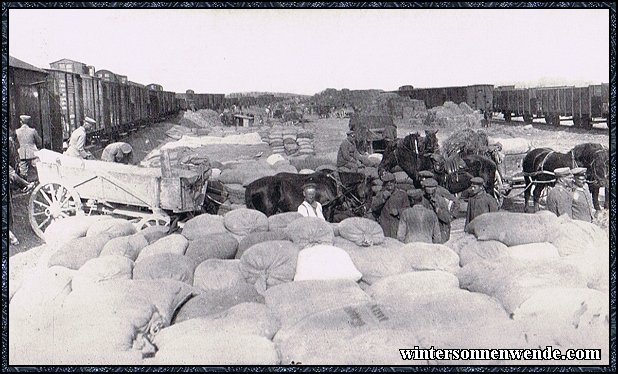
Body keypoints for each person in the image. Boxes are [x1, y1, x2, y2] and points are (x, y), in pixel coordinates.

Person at [370, 172, 410, 238]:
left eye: (391, 182)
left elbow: (408, 210)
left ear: (395, 183)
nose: (389, 184)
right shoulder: (380, 194)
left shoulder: (402, 194)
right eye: (386, 182)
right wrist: (382, 199)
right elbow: (374, 208)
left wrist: (398, 211)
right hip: (385, 227)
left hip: (398, 226)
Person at [420, 178, 453, 243]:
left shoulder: (441, 200)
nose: (430, 196)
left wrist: (437, 209)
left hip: (439, 231)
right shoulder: (421, 199)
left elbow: (447, 219)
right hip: (425, 232)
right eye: (428, 194)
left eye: (432, 194)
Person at [15, 114, 42, 179]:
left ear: (21, 122)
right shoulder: (33, 131)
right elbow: (39, 142)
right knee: (38, 170)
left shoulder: (17, 131)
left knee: (23, 173)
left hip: (22, 155)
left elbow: (15, 143)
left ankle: (25, 186)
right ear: (28, 122)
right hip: (33, 153)